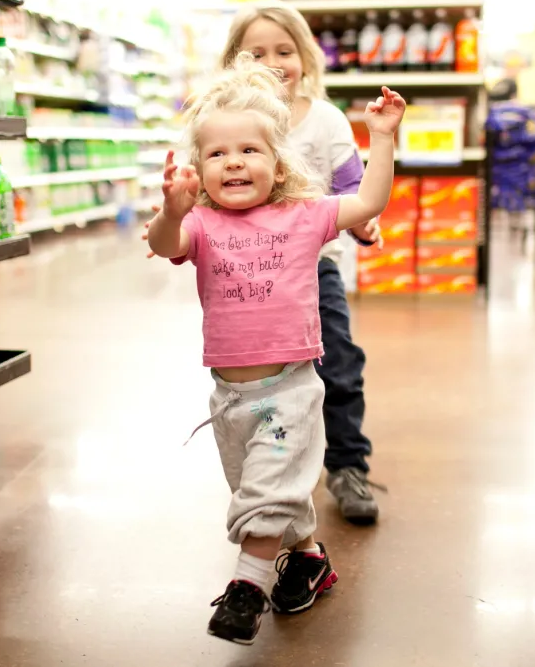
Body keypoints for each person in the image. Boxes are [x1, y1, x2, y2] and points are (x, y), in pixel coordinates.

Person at [147, 52, 404, 646]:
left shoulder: (302, 217)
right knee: (263, 491)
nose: (233, 161)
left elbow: (367, 204)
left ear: (278, 161)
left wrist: (382, 138)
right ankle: (310, 560)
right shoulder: (203, 226)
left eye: (249, 150)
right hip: (228, 397)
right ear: (199, 169)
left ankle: (247, 591)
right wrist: (171, 208)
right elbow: (165, 244)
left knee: (264, 497)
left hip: (289, 387)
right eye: (216, 154)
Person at [219, 4, 383, 524]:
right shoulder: (230, 120)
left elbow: (350, 184)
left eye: (284, 51)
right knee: (262, 379)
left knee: (338, 363)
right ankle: (270, 465)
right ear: (235, 62)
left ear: (305, 56)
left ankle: (347, 465)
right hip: (248, 275)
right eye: (256, 52)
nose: (273, 62)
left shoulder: (326, 119)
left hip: (314, 268)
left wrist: (360, 222)